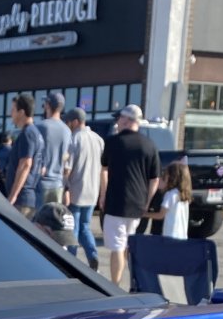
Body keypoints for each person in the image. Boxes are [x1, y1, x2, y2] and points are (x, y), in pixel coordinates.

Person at [98, 103, 160, 286]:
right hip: (138, 204)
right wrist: (147, 202)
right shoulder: (149, 145)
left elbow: (104, 170)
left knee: (117, 246)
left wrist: (103, 194)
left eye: (119, 118)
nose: (117, 122)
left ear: (126, 120)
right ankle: (128, 281)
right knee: (126, 245)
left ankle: (115, 284)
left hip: (116, 201)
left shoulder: (112, 142)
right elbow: (154, 179)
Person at [62, 106, 104, 269]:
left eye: (68, 122)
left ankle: (71, 262)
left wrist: (65, 188)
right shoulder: (98, 139)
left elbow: (68, 169)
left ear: (75, 121)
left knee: (73, 228)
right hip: (92, 191)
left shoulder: (74, 139)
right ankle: (93, 256)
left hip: (76, 190)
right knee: (85, 227)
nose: (67, 125)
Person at [5, 93, 44, 218]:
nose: (11, 113)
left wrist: (13, 195)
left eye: (13, 110)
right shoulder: (36, 133)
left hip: (22, 200)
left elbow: (26, 164)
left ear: (21, 112)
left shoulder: (28, 134)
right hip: (29, 197)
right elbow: (42, 168)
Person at [140, 161, 192, 240]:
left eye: (165, 175)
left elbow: (160, 215)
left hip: (170, 235)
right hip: (182, 235)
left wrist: (144, 214)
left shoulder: (170, 195)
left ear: (171, 177)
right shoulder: (184, 195)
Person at [37, 92, 71, 206]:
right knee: (52, 221)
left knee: (36, 222)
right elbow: (67, 162)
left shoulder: (41, 127)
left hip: (41, 183)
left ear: (47, 105)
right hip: (58, 184)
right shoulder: (67, 130)